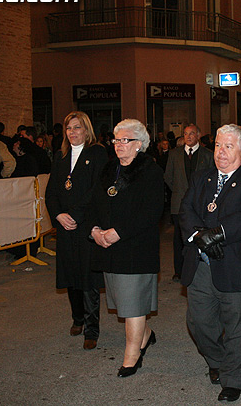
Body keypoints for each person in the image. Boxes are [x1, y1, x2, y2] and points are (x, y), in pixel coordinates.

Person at [180, 124, 241, 402]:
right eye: (218, 145)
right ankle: (218, 361)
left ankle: (234, 379)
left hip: (239, 267)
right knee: (199, 323)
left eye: (228, 146)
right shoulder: (201, 178)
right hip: (202, 267)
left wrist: (217, 234)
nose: (221, 152)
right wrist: (198, 235)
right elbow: (186, 210)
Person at [89, 119, 164, 377]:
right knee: (123, 302)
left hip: (136, 247)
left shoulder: (150, 171)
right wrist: (95, 230)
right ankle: (146, 334)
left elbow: (152, 212)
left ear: (139, 145)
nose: (119, 145)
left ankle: (132, 356)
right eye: (116, 140)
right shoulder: (109, 169)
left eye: (125, 140)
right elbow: (95, 202)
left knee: (133, 304)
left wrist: (118, 232)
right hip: (109, 247)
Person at [45, 111, 108, 351]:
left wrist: (77, 215)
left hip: (86, 224)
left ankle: (92, 328)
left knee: (88, 276)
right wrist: (59, 215)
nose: (72, 132)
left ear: (86, 130)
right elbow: (51, 192)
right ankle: (77, 318)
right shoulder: (60, 156)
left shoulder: (97, 153)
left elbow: (97, 190)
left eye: (77, 127)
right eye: (69, 128)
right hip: (64, 225)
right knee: (70, 273)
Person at [164, 124, 214, 281]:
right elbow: (168, 177)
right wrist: (181, 193)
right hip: (179, 204)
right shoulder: (174, 154)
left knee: (200, 237)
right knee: (179, 239)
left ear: (198, 135)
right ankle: (179, 271)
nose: (188, 136)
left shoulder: (207, 154)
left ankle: (200, 268)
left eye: (192, 133)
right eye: (185, 134)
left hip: (201, 205)